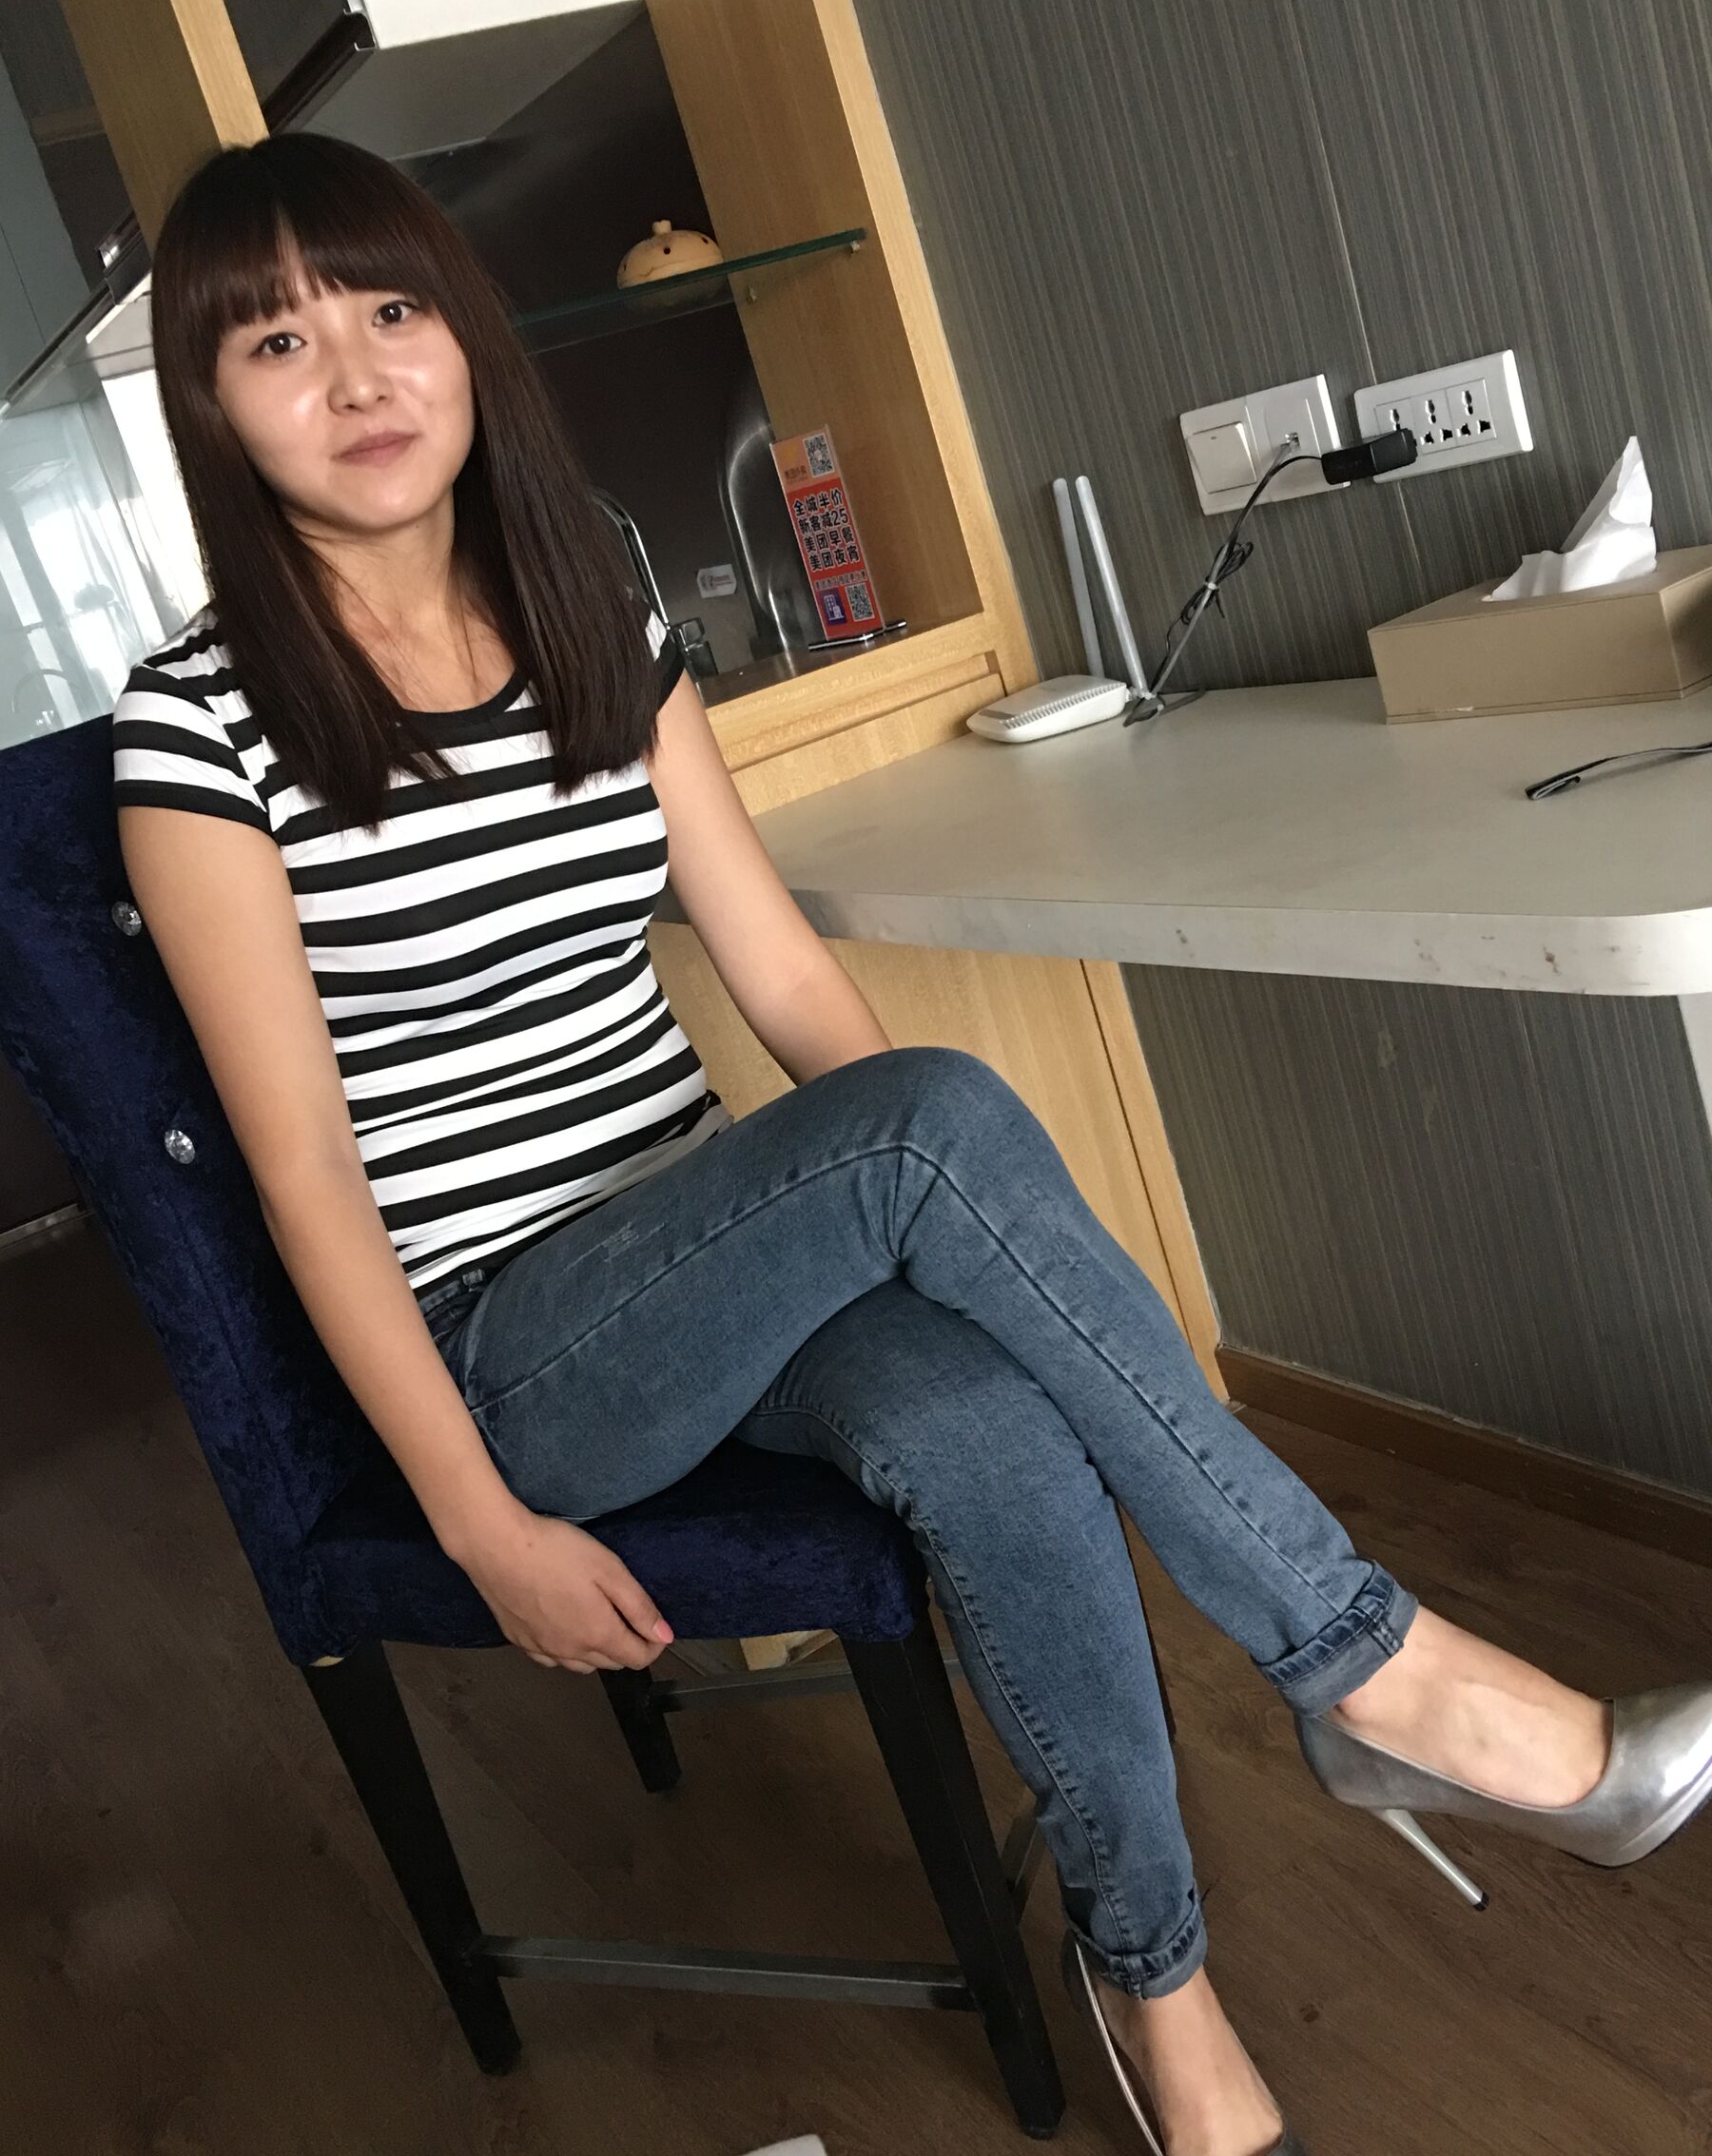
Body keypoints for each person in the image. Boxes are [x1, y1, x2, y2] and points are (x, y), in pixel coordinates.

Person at [110, 133, 1712, 2156]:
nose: (354, 375)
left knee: (990, 1421)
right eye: (275, 341)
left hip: (718, 1249)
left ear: (465, 335)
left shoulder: (588, 601)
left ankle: (1158, 1986)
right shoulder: (200, 728)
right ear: (211, 405)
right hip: (516, 1351)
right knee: (925, 1124)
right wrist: (483, 1525)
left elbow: (778, 969)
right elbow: (306, 1180)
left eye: (390, 309)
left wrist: (915, 1229)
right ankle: (1379, 1679)